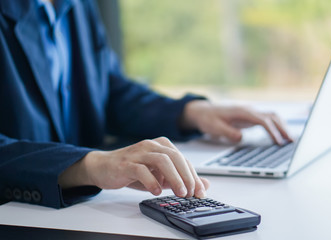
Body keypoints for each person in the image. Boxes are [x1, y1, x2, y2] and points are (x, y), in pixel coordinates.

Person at [0, 0, 290, 209]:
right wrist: (89, 165)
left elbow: (107, 89)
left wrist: (189, 113)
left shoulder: (77, 5)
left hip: (84, 215)